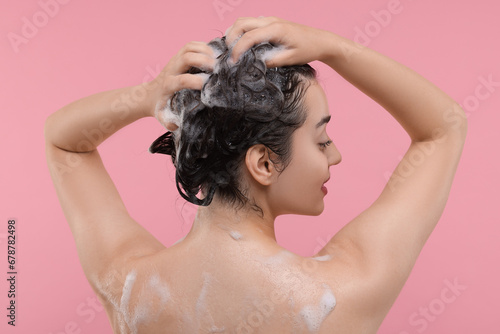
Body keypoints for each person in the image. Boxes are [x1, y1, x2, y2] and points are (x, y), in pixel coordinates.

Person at [45, 16, 467, 334]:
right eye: (321, 140)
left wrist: (149, 96)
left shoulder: (131, 288)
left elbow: (63, 142)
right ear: (263, 163)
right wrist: (335, 48)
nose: (335, 155)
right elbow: (443, 129)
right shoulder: (340, 294)